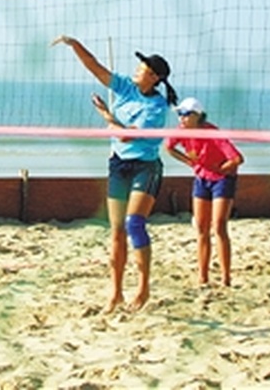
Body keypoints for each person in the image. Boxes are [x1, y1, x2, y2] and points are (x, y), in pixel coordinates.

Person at [51, 35, 178, 313]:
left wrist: (107, 116)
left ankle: (143, 288)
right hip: (119, 165)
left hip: (145, 167)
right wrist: (74, 45)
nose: (136, 70)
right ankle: (116, 292)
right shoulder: (126, 87)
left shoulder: (156, 107)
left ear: (154, 77)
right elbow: (95, 67)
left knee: (135, 224)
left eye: (142, 68)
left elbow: (126, 136)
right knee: (117, 231)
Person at [165, 97, 244, 287]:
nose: (181, 118)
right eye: (179, 114)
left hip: (222, 180)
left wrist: (221, 169)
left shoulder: (211, 133)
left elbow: (237, 159)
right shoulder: (181, 131)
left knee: (219, 226)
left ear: (197, 115)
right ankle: (203, 277)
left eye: (185, 114)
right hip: (202, 179)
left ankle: (226, 278)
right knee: (201, 228)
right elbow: (168, 147)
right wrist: (190, 162)